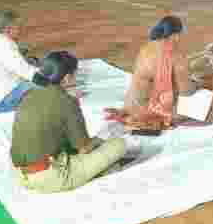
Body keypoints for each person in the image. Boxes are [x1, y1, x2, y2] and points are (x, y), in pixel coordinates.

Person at [10, 51, 128, 193]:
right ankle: (98, 171)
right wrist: (101, 138)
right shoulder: (66, 101)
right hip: (51, 176)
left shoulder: (29, 94)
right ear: (66, 78)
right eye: (75, 74)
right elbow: (84, 148)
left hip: (20, 175)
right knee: (119, 145)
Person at [105, 16, 213, 129]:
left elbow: (171, 69)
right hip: (152, 111)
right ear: (175, 35)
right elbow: (186, 92)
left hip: (132, 104)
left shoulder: (146, 48)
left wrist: (203, 59)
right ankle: (155, 118)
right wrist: (200, 84)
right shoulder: (176, 56)